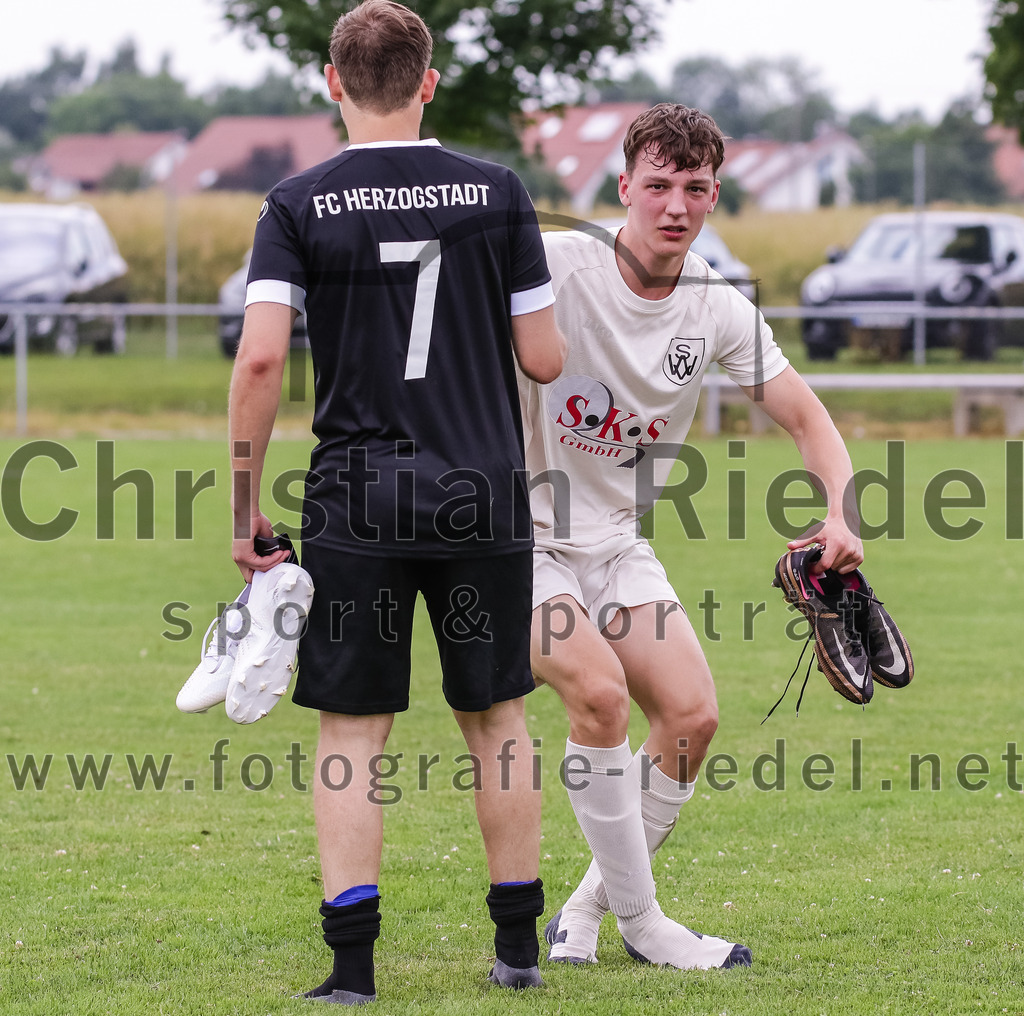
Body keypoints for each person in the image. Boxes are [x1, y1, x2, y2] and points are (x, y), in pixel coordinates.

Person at [228, 0, 566, 1002]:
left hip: (358, 498)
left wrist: (244, 503)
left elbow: (258, 357)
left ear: (332, 83)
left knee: (352, 732)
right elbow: (542, 356)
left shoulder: (294, 202)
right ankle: (516, 950)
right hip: (480, 493)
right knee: (496, 717)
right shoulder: (499, 192)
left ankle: (352, 968)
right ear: (428, 81)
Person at [517, 103, 863, 970]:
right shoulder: (555, 264)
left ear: (714, 195)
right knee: (596, 700)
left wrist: (841, 514)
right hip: (515, 539)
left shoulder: (715, 305)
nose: (675, 205)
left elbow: (807, 418)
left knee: (691, 716)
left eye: (696, 188)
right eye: (659, 184)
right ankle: (646, 928)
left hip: (617, 539)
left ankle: (586, 913)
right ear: (624, 184)